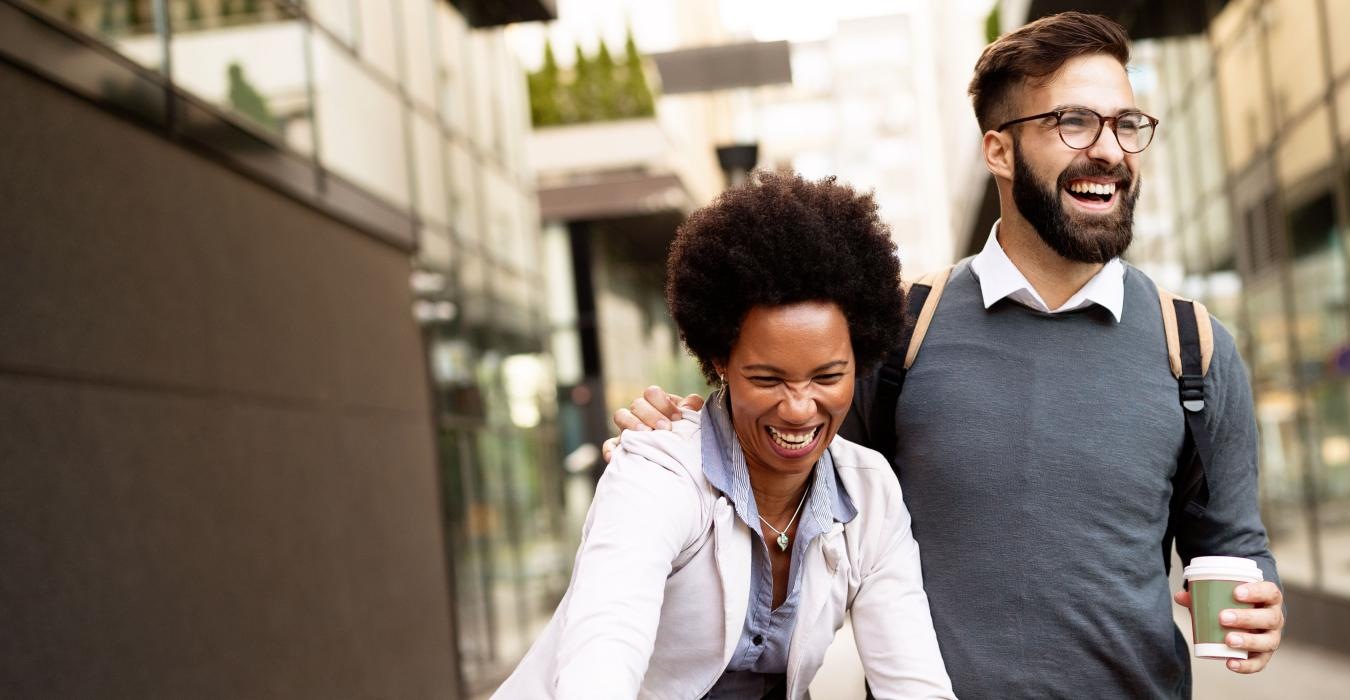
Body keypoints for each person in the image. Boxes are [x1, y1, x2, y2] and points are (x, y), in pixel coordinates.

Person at [612, 13, 1284, 697]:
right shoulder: (902, 332)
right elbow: (782, 476)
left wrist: (1258, 602)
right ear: (998, 150)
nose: (1109, 149)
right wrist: (682, 444)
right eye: (1074, 123)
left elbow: (1232, 545)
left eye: (1125, 123)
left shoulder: (1195, 348)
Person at [496, 172, 955, 699]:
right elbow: (603, 654)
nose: (800, 407)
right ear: (720, 360)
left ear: (861, 359)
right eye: (767, 379)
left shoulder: (870, 492)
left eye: (827, 377)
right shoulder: (658, 473)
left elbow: (915, 682)